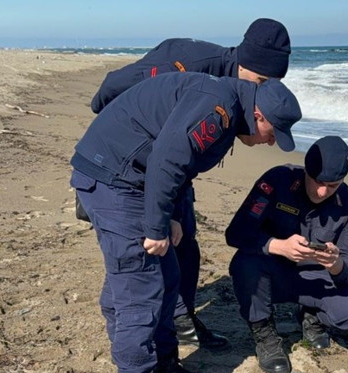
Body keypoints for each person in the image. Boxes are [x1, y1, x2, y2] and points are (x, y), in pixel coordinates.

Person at [70, 72, 301, 373]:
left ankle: (164, 367)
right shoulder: (218, 109)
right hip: (114, 177)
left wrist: (174, 214)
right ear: (259, 116)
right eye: (272, 134)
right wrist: (156, 226)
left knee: (168, 277)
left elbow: (180, 166)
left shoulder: (227, 104)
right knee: (139, 288)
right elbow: (167, 159)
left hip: (137, 178)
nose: (268, 143)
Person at [86, 18, 292, 349]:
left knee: (185, 238)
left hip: (175, 161)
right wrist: (112, 153)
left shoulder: (239, 91)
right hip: (129, 163)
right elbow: (115, 86)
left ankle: (182, 317)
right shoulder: (187, 64)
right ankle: (172, 320)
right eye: (260, 80)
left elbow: (182, 156)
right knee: (142, 247)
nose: (262, 91)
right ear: (244, 62)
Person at [225, 136, 348, 373]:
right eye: (317, 181)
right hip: (273, 272)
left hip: (316, 278)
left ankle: (312, 316)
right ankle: (264, 334)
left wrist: (336, 264)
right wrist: (277, 246)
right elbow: (236, 234)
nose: (322, 191)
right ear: (306, 170)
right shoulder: (276, 181)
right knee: (245, 263)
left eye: (332, 185)